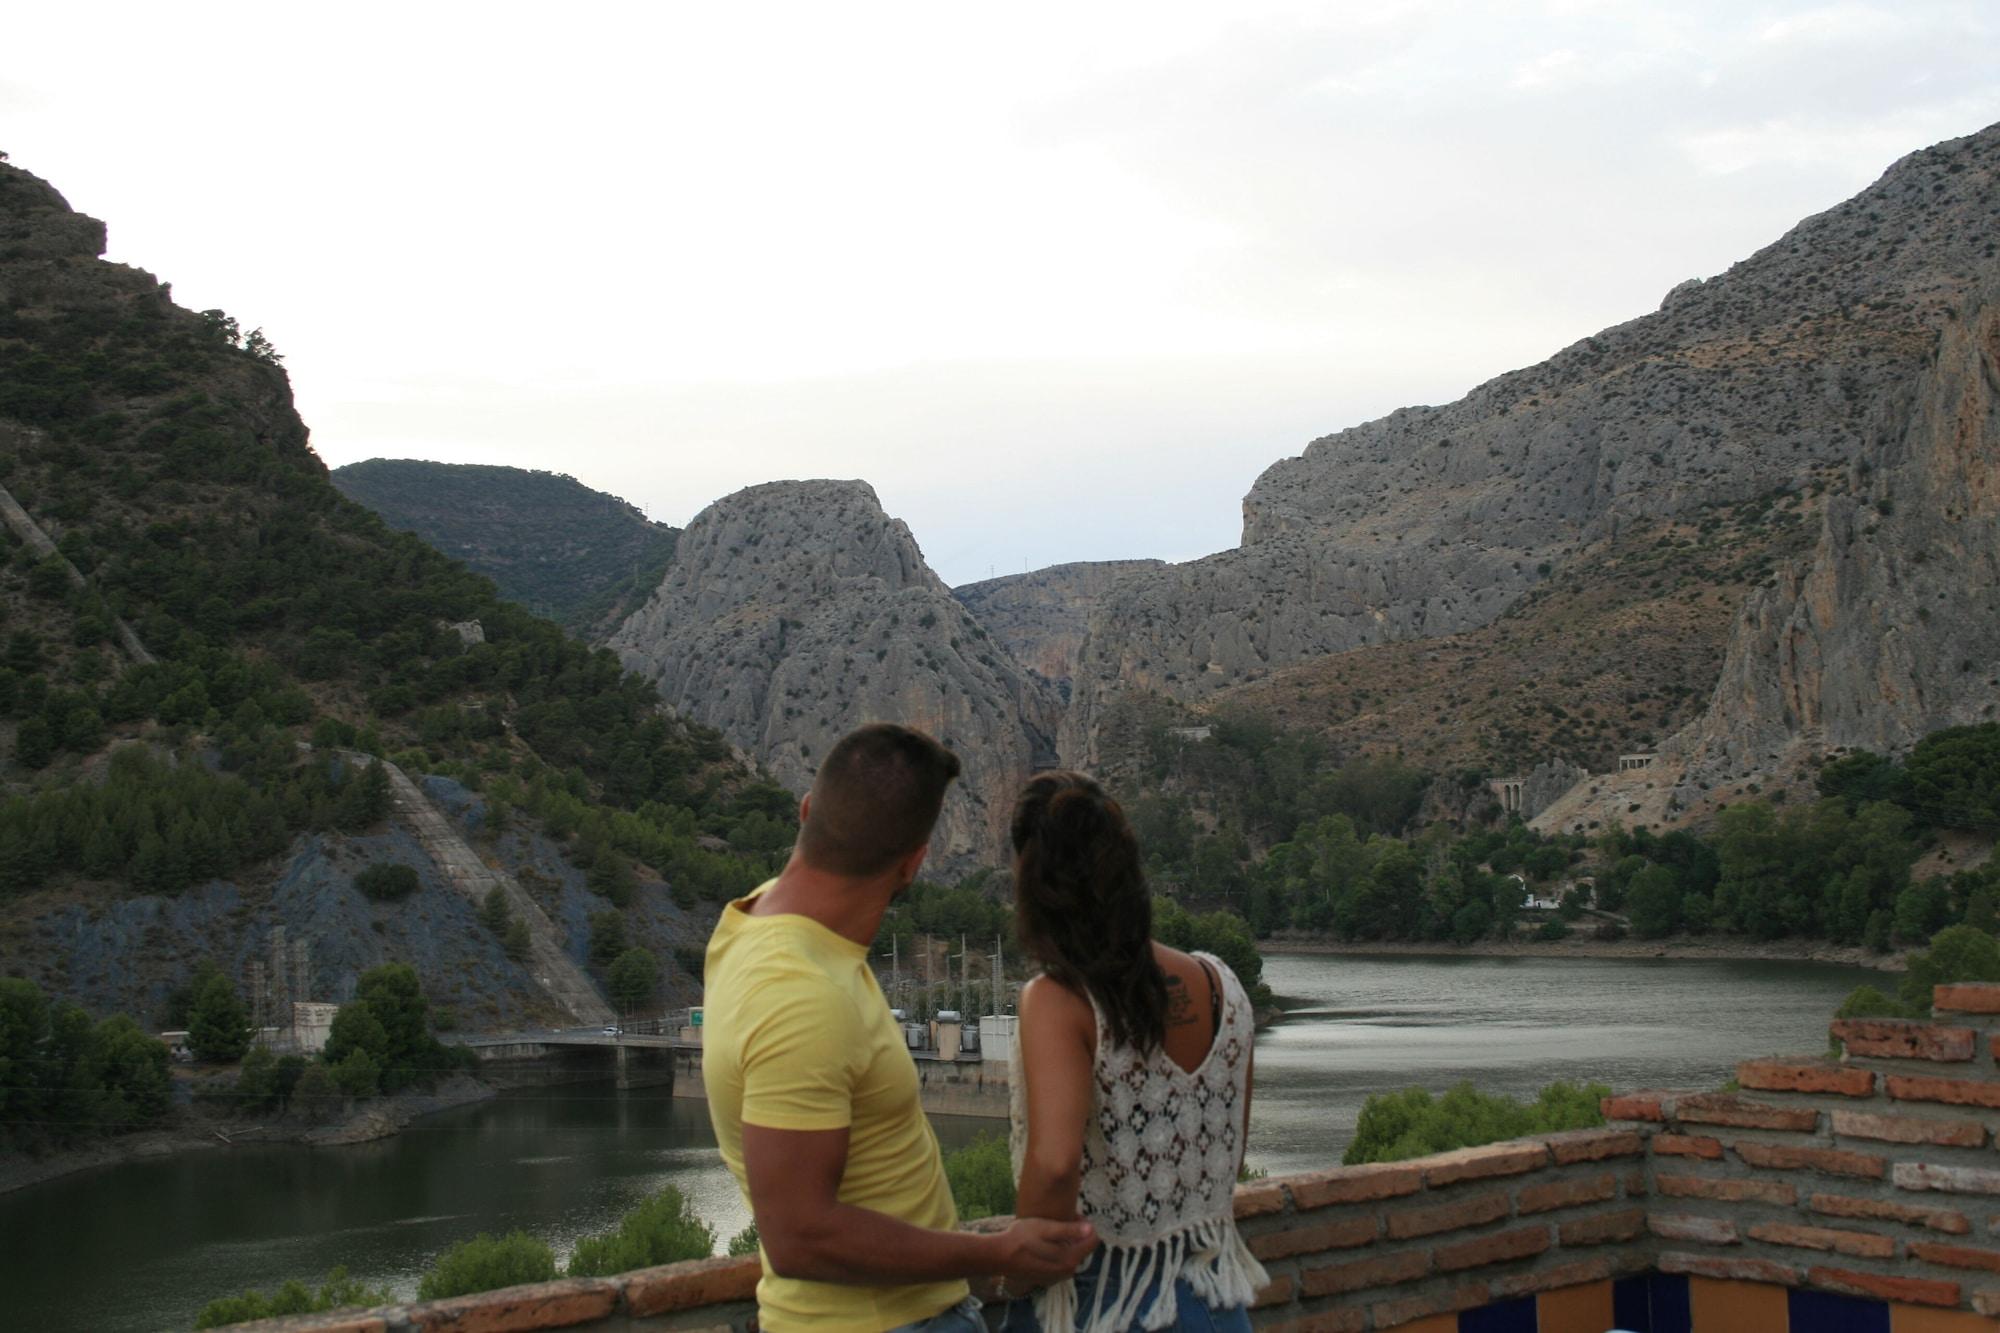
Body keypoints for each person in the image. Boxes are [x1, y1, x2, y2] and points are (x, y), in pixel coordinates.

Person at [703, 723, 1097, 1333]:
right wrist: (996, 1252)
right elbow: (800, 1237)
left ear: (807, 811)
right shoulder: (800, 997)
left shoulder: (752, 919)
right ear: (913, 865)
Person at [1003, 771, 1266, 1333]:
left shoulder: (1057, 999)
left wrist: (1020, 1272)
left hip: (1107, 1302)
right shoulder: (1220, 983)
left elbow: (1053, 1167)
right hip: (1215, 1297)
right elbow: (1230, 1149)